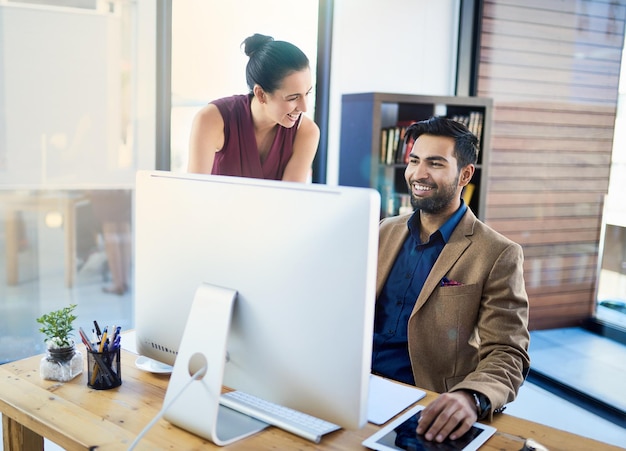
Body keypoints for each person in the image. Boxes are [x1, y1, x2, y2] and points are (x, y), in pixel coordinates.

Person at [372, 116, 530, 443]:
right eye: (414, 161)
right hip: (360, 388)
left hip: (428, 406)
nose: (418, 174)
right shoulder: (384, 230)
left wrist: (470, 397)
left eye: (435, 163)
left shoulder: (498, 253)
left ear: (465, 174)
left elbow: (508, 352)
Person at [187, 33, 320, 182]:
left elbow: (289, 200)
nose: (304, 108)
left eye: (307, 93)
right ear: (261, 94)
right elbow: (195, 194)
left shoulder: (306, 132)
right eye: (293, 97)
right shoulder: (211, 119)